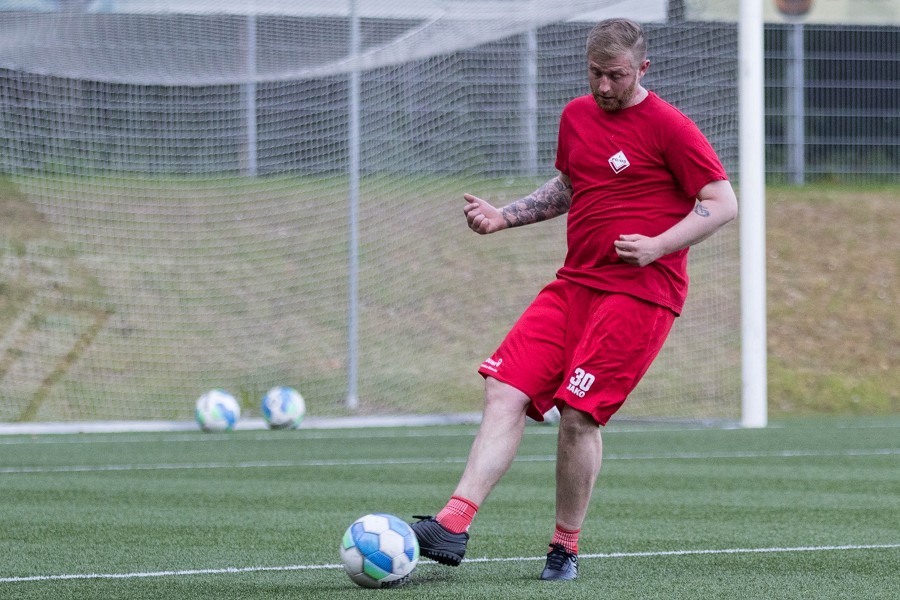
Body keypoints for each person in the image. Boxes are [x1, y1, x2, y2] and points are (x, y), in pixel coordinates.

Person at [410, 18, 738, 581]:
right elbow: (568, 185)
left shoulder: (669, 127)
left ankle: (564, 548)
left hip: (640, 295)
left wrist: (658, 245)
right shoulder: (576, 115)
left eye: (616, 76)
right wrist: (502, 216)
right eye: (596, 74)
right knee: (503, 386)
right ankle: (452, 524)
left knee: (578, 416)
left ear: (643, 69)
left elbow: (722, 200)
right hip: (575, 284)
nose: (604, 87)